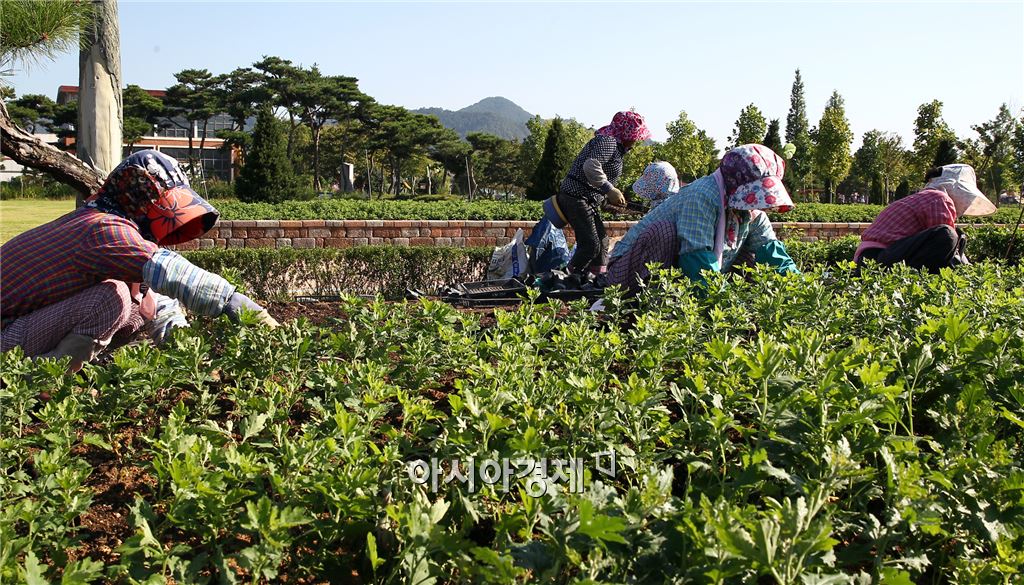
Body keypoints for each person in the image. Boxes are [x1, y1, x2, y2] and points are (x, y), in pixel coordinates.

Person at [1, 150, 277, 373]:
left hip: (19, 330)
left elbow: (159, 304)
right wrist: (256, 317)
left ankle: (65, 368)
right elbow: (176, 275)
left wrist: (193, 366)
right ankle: (42, 381)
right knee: (113, 297)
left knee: (136, 305)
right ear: (137, 200)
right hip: (6, 335)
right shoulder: (102, 228)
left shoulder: (112, 230)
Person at [606, 144, 800, 294]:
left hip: (678, 272)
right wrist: (721, 305)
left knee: (749, 254)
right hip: (627, 275)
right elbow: (696, 258)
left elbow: (773, 253)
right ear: (734, 182)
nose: (758, 202)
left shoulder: (752, 212)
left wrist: (802, 290)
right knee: (665, 231)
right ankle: (651, 308)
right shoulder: (703, 195)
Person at [555, 110, 651, 281]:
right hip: (576, 196)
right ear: (626, 133)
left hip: (586, 199)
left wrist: (609, 200)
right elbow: (590, 166)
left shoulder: (616, 146)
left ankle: (597, 279)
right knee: (590, 245)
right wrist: (609, 189)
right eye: (636, 136)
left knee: (602, 242)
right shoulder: (608, 141)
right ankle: (563, 278)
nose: (637, 140)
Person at [854, 164, 995, 272]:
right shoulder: (938, 198)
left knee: (955, 234)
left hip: (871, 259)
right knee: (947, 235)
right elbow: (946, 246)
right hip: (881, 258)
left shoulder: (922, 198)